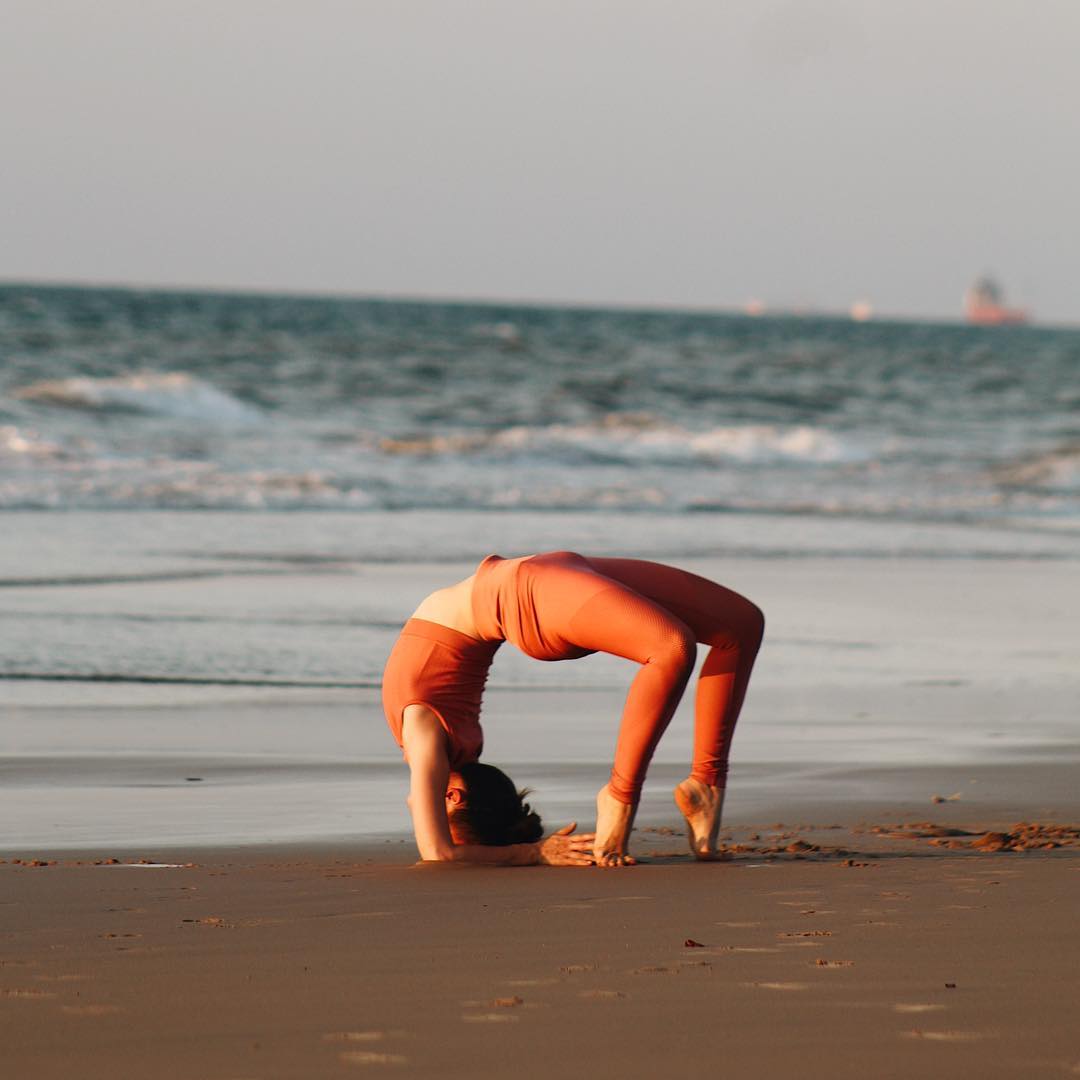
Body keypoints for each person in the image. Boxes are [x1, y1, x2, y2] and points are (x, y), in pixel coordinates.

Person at [381, 551, 764, 867]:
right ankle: (620, 796)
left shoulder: (431, 744)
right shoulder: (430, 737)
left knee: (742, 625)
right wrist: (535, 852)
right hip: (526, 600)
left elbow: (428, 821)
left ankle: (705, 784)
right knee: (672, 647)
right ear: (453, 799)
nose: (418, 804)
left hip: (546, 572)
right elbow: (437, 853)